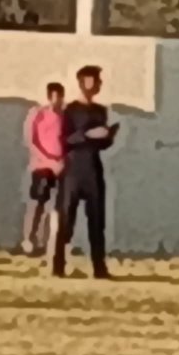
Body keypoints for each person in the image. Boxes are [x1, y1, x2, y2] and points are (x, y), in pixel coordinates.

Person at [53, 64, 117, 281]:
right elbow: (65, 140)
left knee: (97, 221)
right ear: (82, 82)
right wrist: (88, 134)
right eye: (93, 80)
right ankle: (58, 266)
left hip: (93, 168)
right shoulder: (70, 110)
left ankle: (99, 268)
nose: (97, 84)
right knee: (66, 221)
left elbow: (103, 144)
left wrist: (107, 136)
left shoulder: (101, 111)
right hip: (73, 170)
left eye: (98, 80)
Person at [23, 82, 65, 257]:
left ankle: (47, 240)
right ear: (49, 97)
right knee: (38, 203)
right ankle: (28, 239)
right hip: (41, 166)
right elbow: (31, 141)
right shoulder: (38, 114)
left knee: (57, 205)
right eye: (54, 97)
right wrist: (47, 160)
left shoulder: (65, 117)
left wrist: (61, 161)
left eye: (59, 97)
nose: (56, 101)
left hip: (60, 167)